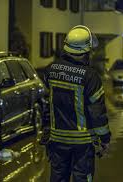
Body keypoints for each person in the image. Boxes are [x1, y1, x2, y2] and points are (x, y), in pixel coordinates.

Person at [42, 25, 111, 182]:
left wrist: (46, 129)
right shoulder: (90, 77)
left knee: (58, 178)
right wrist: (105, 140)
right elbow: (97, 113)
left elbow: (49, 104)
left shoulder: (50, 71)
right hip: (82, 143)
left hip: (57, 141)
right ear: (85, 52)